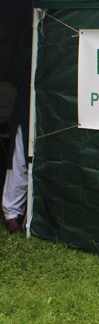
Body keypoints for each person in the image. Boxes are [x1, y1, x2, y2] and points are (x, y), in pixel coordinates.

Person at [2, 44, 31, 234]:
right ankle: (11, 215)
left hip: (45, 115)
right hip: (25, 113)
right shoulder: (27, 55)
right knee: (19, 163)